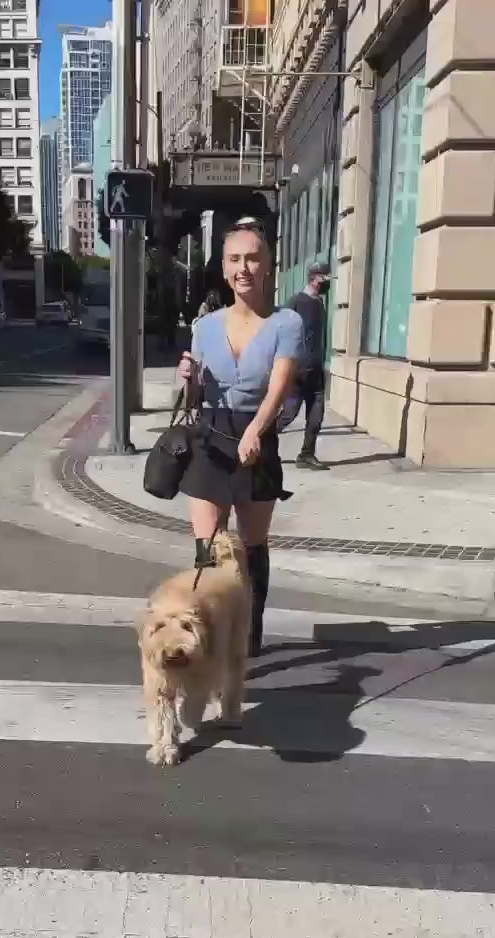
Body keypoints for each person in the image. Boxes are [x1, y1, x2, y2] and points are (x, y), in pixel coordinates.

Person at [177, 218, 304, 657]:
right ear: (224, 268)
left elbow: (280, 386)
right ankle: (209, 634)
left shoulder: (286, 322)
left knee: (251, 548)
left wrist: (255, 431)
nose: (243, 267)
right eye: (235, 259)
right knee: (207, 549)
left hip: (256, 437)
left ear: (268, 265)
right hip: (211, 438)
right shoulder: (205, 326)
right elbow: (195, 396)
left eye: (252, 257)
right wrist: (189, 378)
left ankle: (249, 633)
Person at [285, 262, 331, 471]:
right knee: (287, 414)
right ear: (315, 278)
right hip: (297, 373)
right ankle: (256, 442)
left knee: (316, 415)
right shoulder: (295, 302)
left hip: (316, 372)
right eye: (326, 277)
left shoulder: (320, 304)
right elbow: (281, 334)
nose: (328, 282)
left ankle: (306, 454)